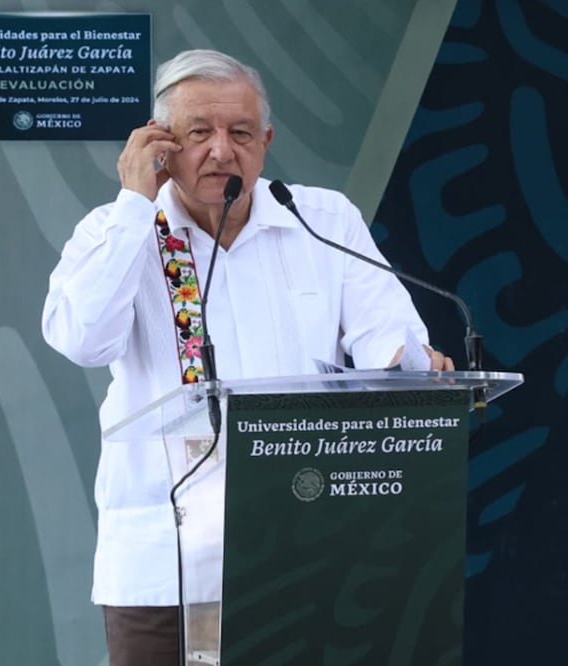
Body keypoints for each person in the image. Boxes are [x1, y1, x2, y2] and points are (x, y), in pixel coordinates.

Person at [40, 48, 454, 665]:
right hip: (165, 565)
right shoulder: (116, 229)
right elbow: (81, 339)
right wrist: (134, 205)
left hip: (307, 546)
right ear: (159, 143)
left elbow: (386, 338)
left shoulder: (319, 219)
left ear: (266, 140)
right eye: (198, 132)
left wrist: (413, 363)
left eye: (239, 133)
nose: (221, 151)